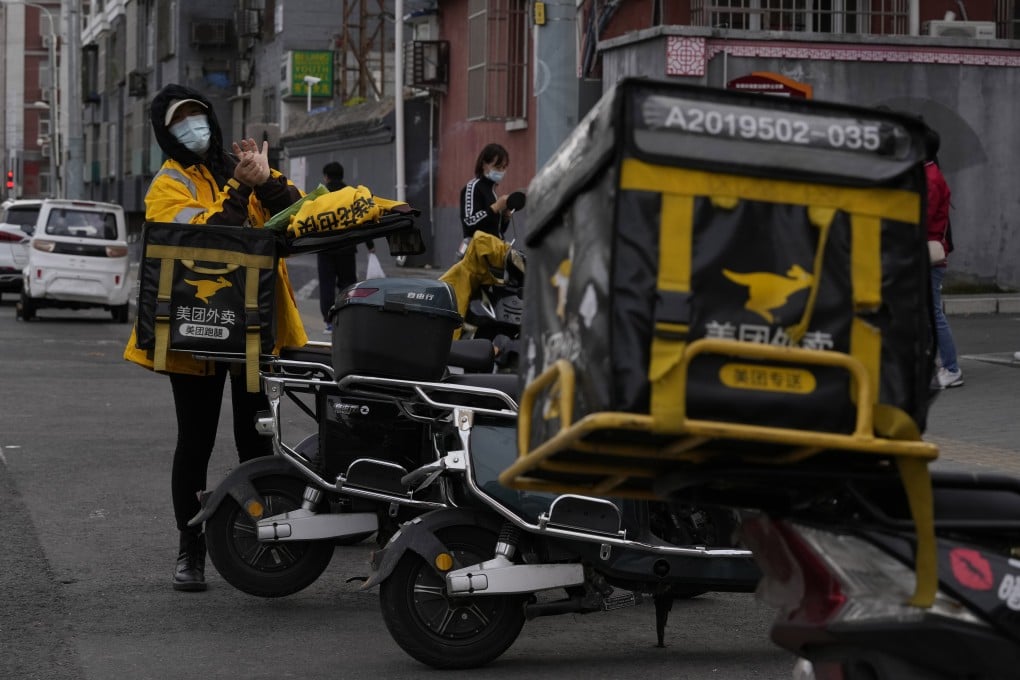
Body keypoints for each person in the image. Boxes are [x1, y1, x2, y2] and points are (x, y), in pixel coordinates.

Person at [122, 84, 308, 592]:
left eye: (197, 116)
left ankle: (258, 538)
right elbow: (207, 243)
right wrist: (242, 190)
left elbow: (296, 222)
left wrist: (266, 179)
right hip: (196, 330)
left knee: (257, 437)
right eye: (180, 121)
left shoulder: (238, 164)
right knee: (196, 441)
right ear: (166, 132)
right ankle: (191, 550)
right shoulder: (167, 184)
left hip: (253, 327)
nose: (192, 128)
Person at [924, 125, 963, 389]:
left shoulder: (930, 177)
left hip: (929, 255)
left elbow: (922, 217)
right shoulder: (928, 173)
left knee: (934, 314)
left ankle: (952, 368)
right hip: (926, 253)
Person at [317, 161, 374, 332]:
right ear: (342, 175)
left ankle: (329, 321)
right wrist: (370, 244)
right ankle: (347, 317)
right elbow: (363, 219)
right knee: (348, 284)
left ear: (326, 176)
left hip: (326, 248)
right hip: (347, 247)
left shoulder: (321, 195)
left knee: (326, 285)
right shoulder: (352, 194)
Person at [460, 143, 511, 239]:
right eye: (497, 167)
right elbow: (469, 223)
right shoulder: (473, 187)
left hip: (495, 250)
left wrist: (505, 217)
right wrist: (495, 208)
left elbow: (496, 230)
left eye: (503, 167)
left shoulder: (492, 192)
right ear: (484, 165)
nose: (500, 171)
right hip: (479, 251)